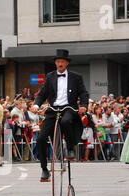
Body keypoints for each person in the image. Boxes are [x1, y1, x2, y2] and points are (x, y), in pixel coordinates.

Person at [34, 49, 89, 181]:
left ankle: (70, 148)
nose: (60, 64)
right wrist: (36, 104)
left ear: (66, 63)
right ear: (55, 63)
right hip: (53, 109)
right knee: (41, 138)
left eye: (62, 61)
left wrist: (84, 105)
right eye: (58, 61)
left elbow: (83, 93)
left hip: (69, 108)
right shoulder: (50, 76)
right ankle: (44, 169)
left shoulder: (76, 77)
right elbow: (42, 93)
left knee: (65, 122)